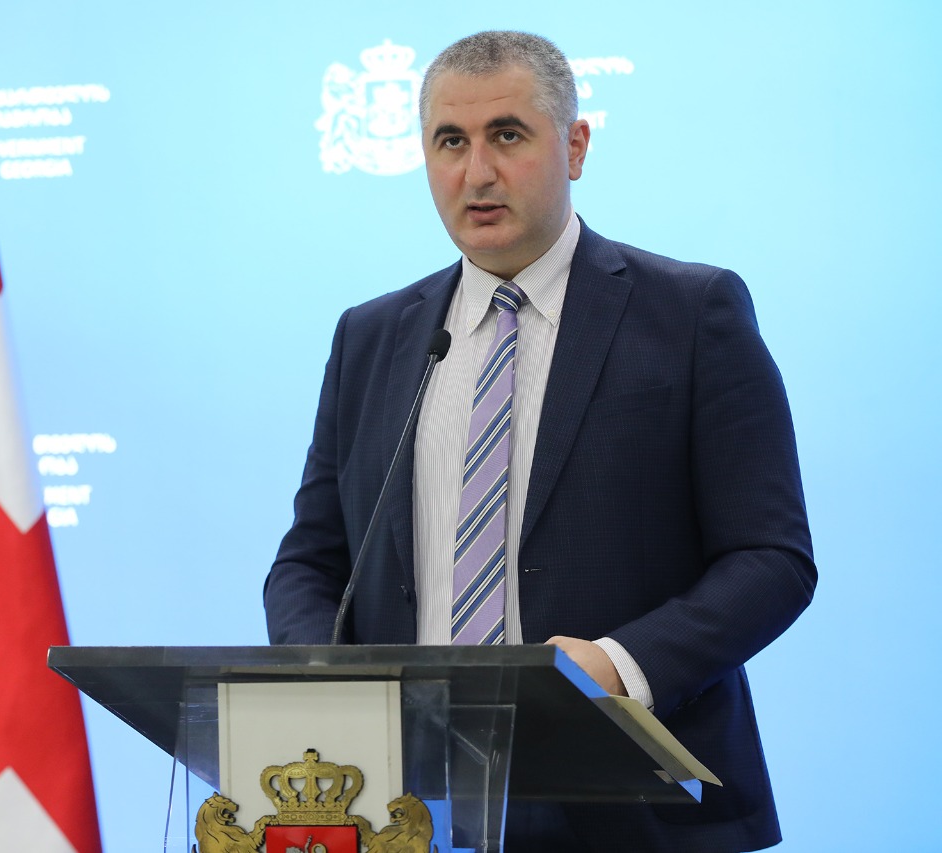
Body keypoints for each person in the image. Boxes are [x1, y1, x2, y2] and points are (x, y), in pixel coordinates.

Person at [263, 30, 816, 852]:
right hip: (408, 814)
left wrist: (619, 664)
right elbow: (310, 564)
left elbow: (771, 559)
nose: (477, 172)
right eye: (451, 142)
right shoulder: (372, 337)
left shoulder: (693, 314)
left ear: (576, 146)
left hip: (639, 811)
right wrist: (328, 684)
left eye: (507, 135)